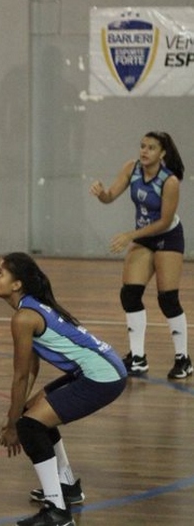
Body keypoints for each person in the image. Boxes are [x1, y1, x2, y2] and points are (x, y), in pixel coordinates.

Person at [0, 252, 126, 526]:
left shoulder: (24, 318)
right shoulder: (31, 307)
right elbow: (31, 369)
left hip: (101, 376)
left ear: (17, 285)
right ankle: (66, 488)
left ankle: (57, 511)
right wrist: (19, 411)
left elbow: (19, 377)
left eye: (0, 273)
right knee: (33, 414)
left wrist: (14, 423)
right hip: (103, 369)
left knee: (30, 426)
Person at [90, 131, 192, 380]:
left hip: (167, 236)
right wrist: (102, 193)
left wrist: (130, 235)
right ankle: (138, 358)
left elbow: (165, 220)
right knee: (130, 293)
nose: (144, 151)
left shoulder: (169, 182)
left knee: (168, 299)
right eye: (142, 146)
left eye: (151, 148)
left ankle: (184, 359)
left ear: (162, 153)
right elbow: (111, 196)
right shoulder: (131, 169)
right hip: (142, 237)